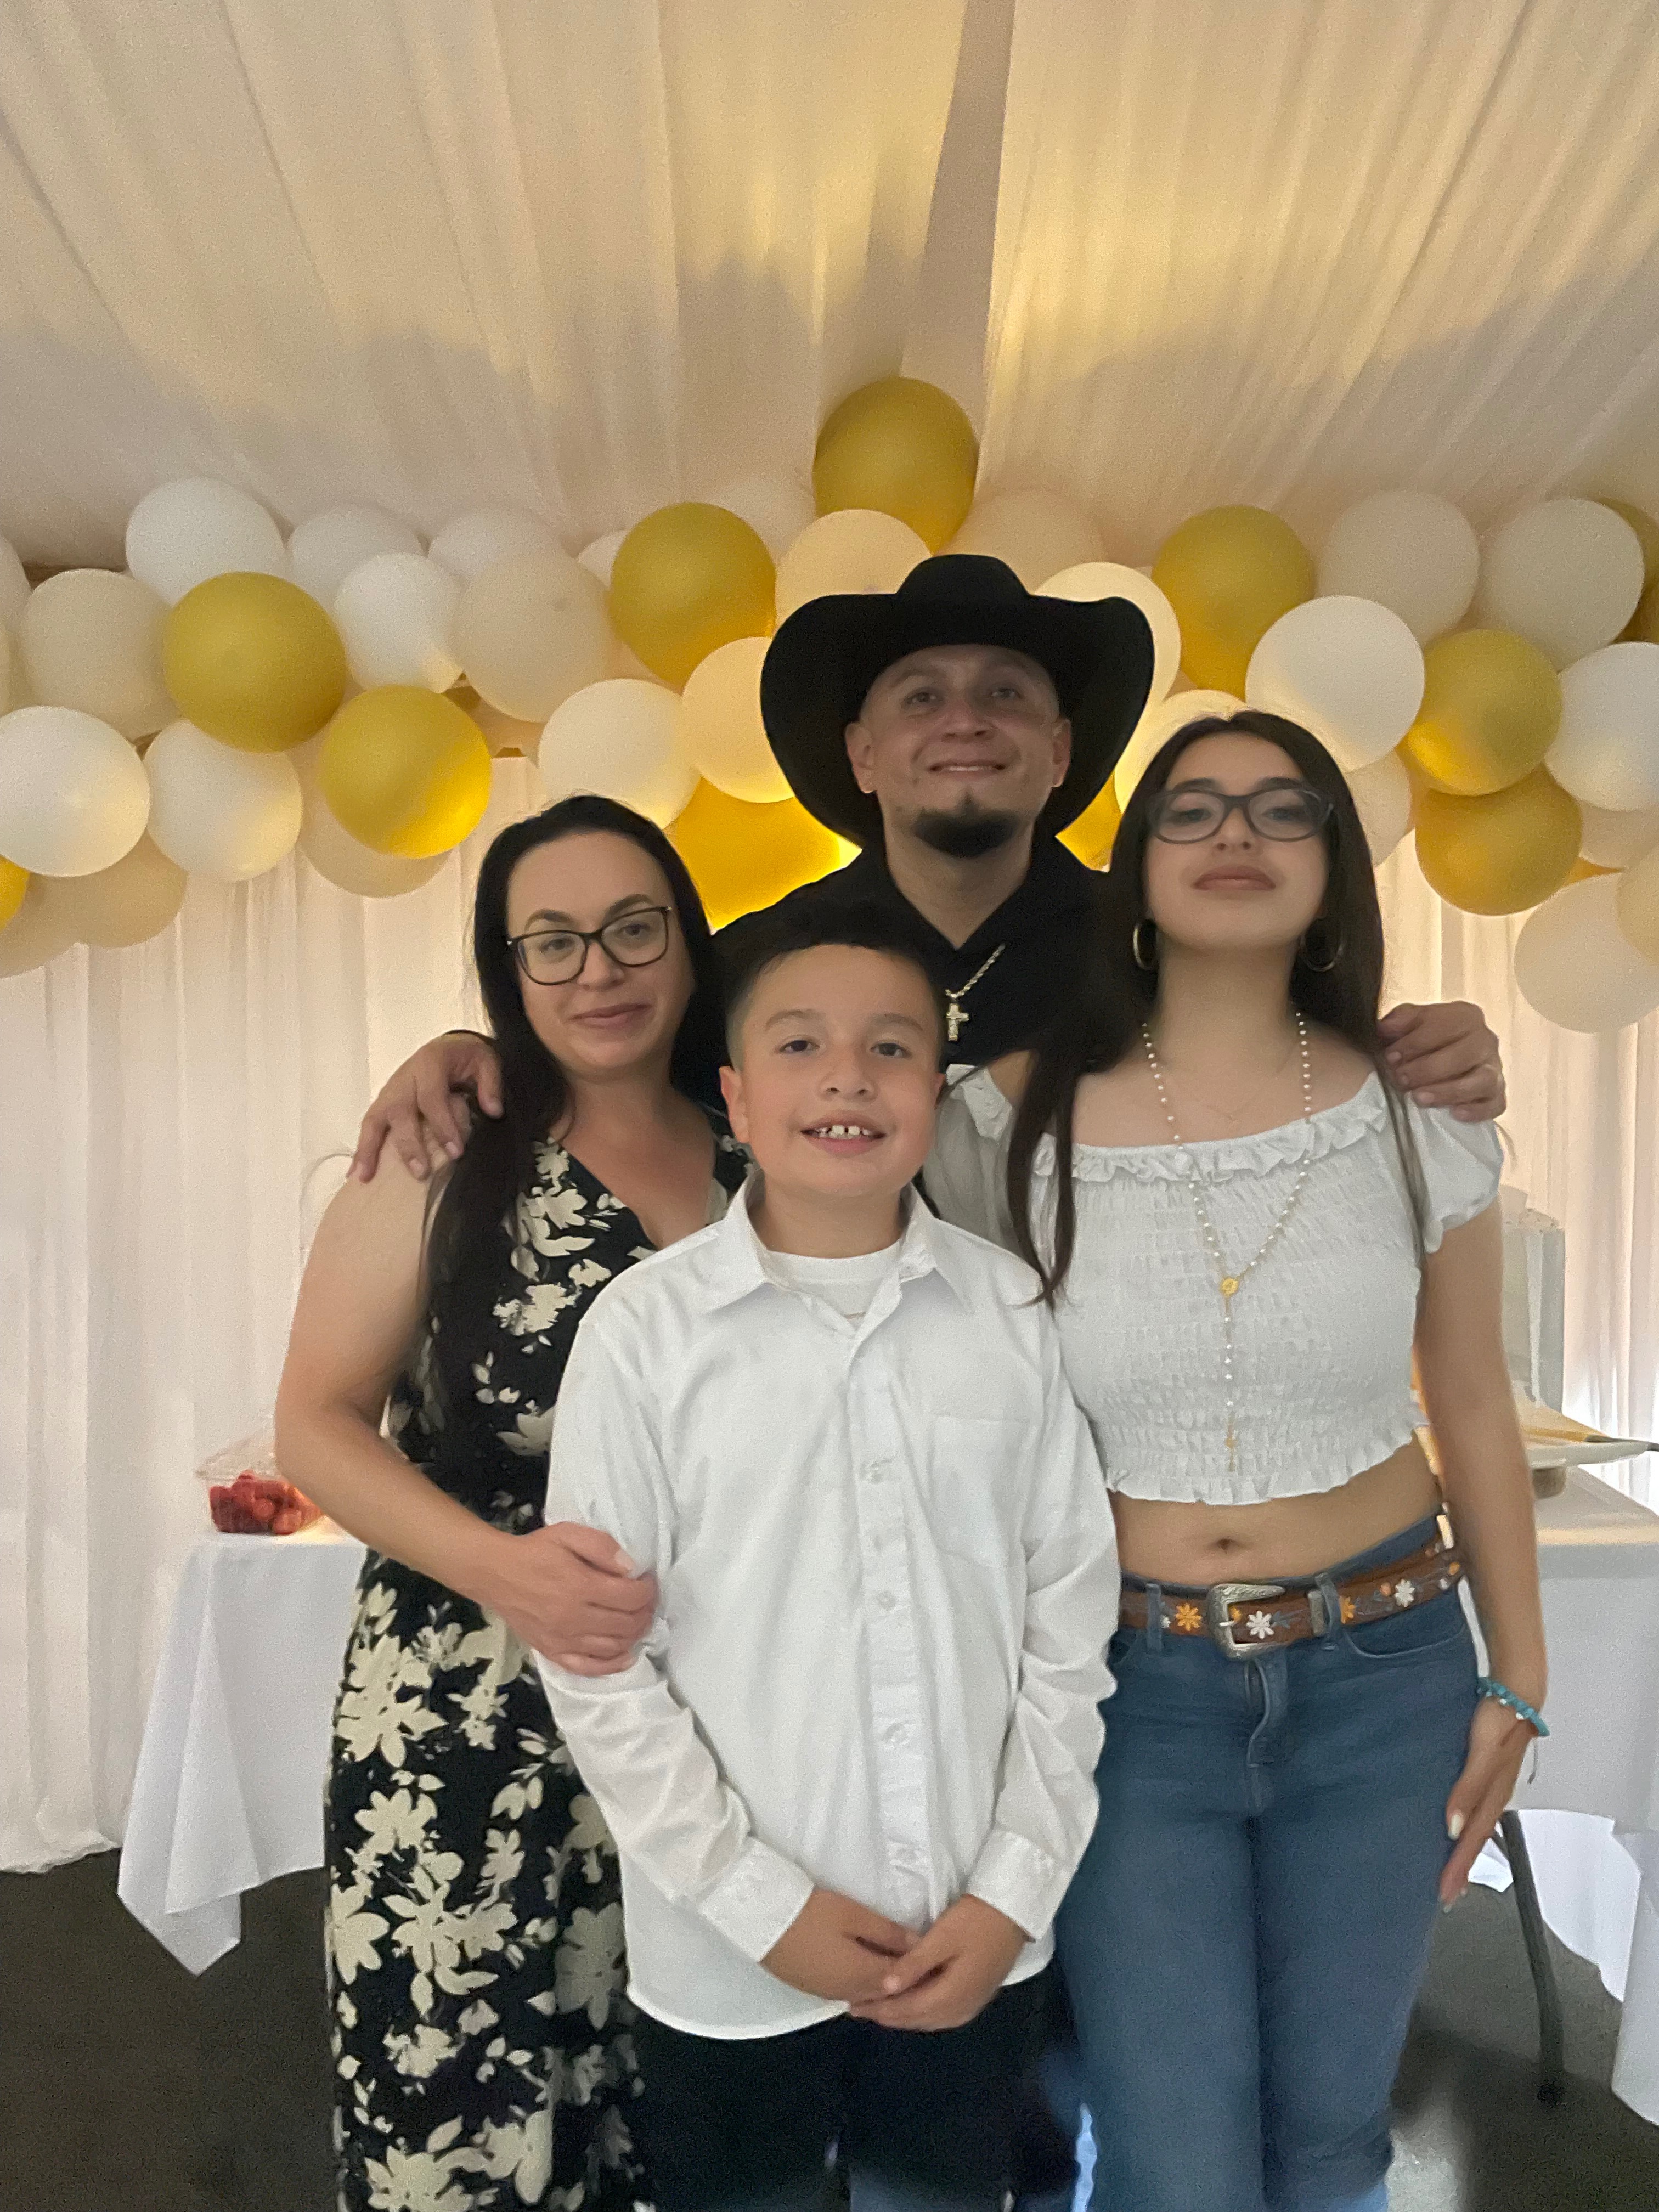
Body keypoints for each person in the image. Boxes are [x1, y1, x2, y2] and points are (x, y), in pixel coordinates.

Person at [924, 710, 1548, 2212]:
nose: (1237, 836)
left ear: (1333, 873)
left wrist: (1519, 1680)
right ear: (1137, 871)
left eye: (1283, 809)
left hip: (1384, 1670)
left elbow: (1472, 1400)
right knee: (1172, 2156)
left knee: (1329, 2142)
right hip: (1126, 1691)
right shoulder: (997, 1123)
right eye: (1194, 809)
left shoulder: (1417, 1111)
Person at [533, 907, 1122, 2212]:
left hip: (972, 1939)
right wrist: (757, 1902)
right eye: (800, 1046)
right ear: (737, 1099)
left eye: (891, 1048)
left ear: (936, 1094)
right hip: (731, 1957)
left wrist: (1013, 1890)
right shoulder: (644, 1335)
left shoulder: (1014, 1314)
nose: (848, 1078)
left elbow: (1069, 1632)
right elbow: (598, 1661)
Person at [347, 557, 1506, 1187]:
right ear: (862, 753)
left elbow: (1298, 1080)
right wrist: (468, 1051)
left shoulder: (1159, 950)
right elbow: (608, 1072)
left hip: (1106, 1466)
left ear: (1060, 750)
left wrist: (1432, 1048)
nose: (966, 721)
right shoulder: (757, 963)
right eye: (921, 697)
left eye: (1006, 692)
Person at [273, 796, 750, 2212]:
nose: (598, 970)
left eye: (633, 929)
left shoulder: (764, 1155)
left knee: (689, 2118)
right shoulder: (447, 1153)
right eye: (554, 941)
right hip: (466, 1713)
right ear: (509, 969)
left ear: (688, 944)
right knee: (466, 2121)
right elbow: (316, 1423)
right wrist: (508, 1569)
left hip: (714, 1709)